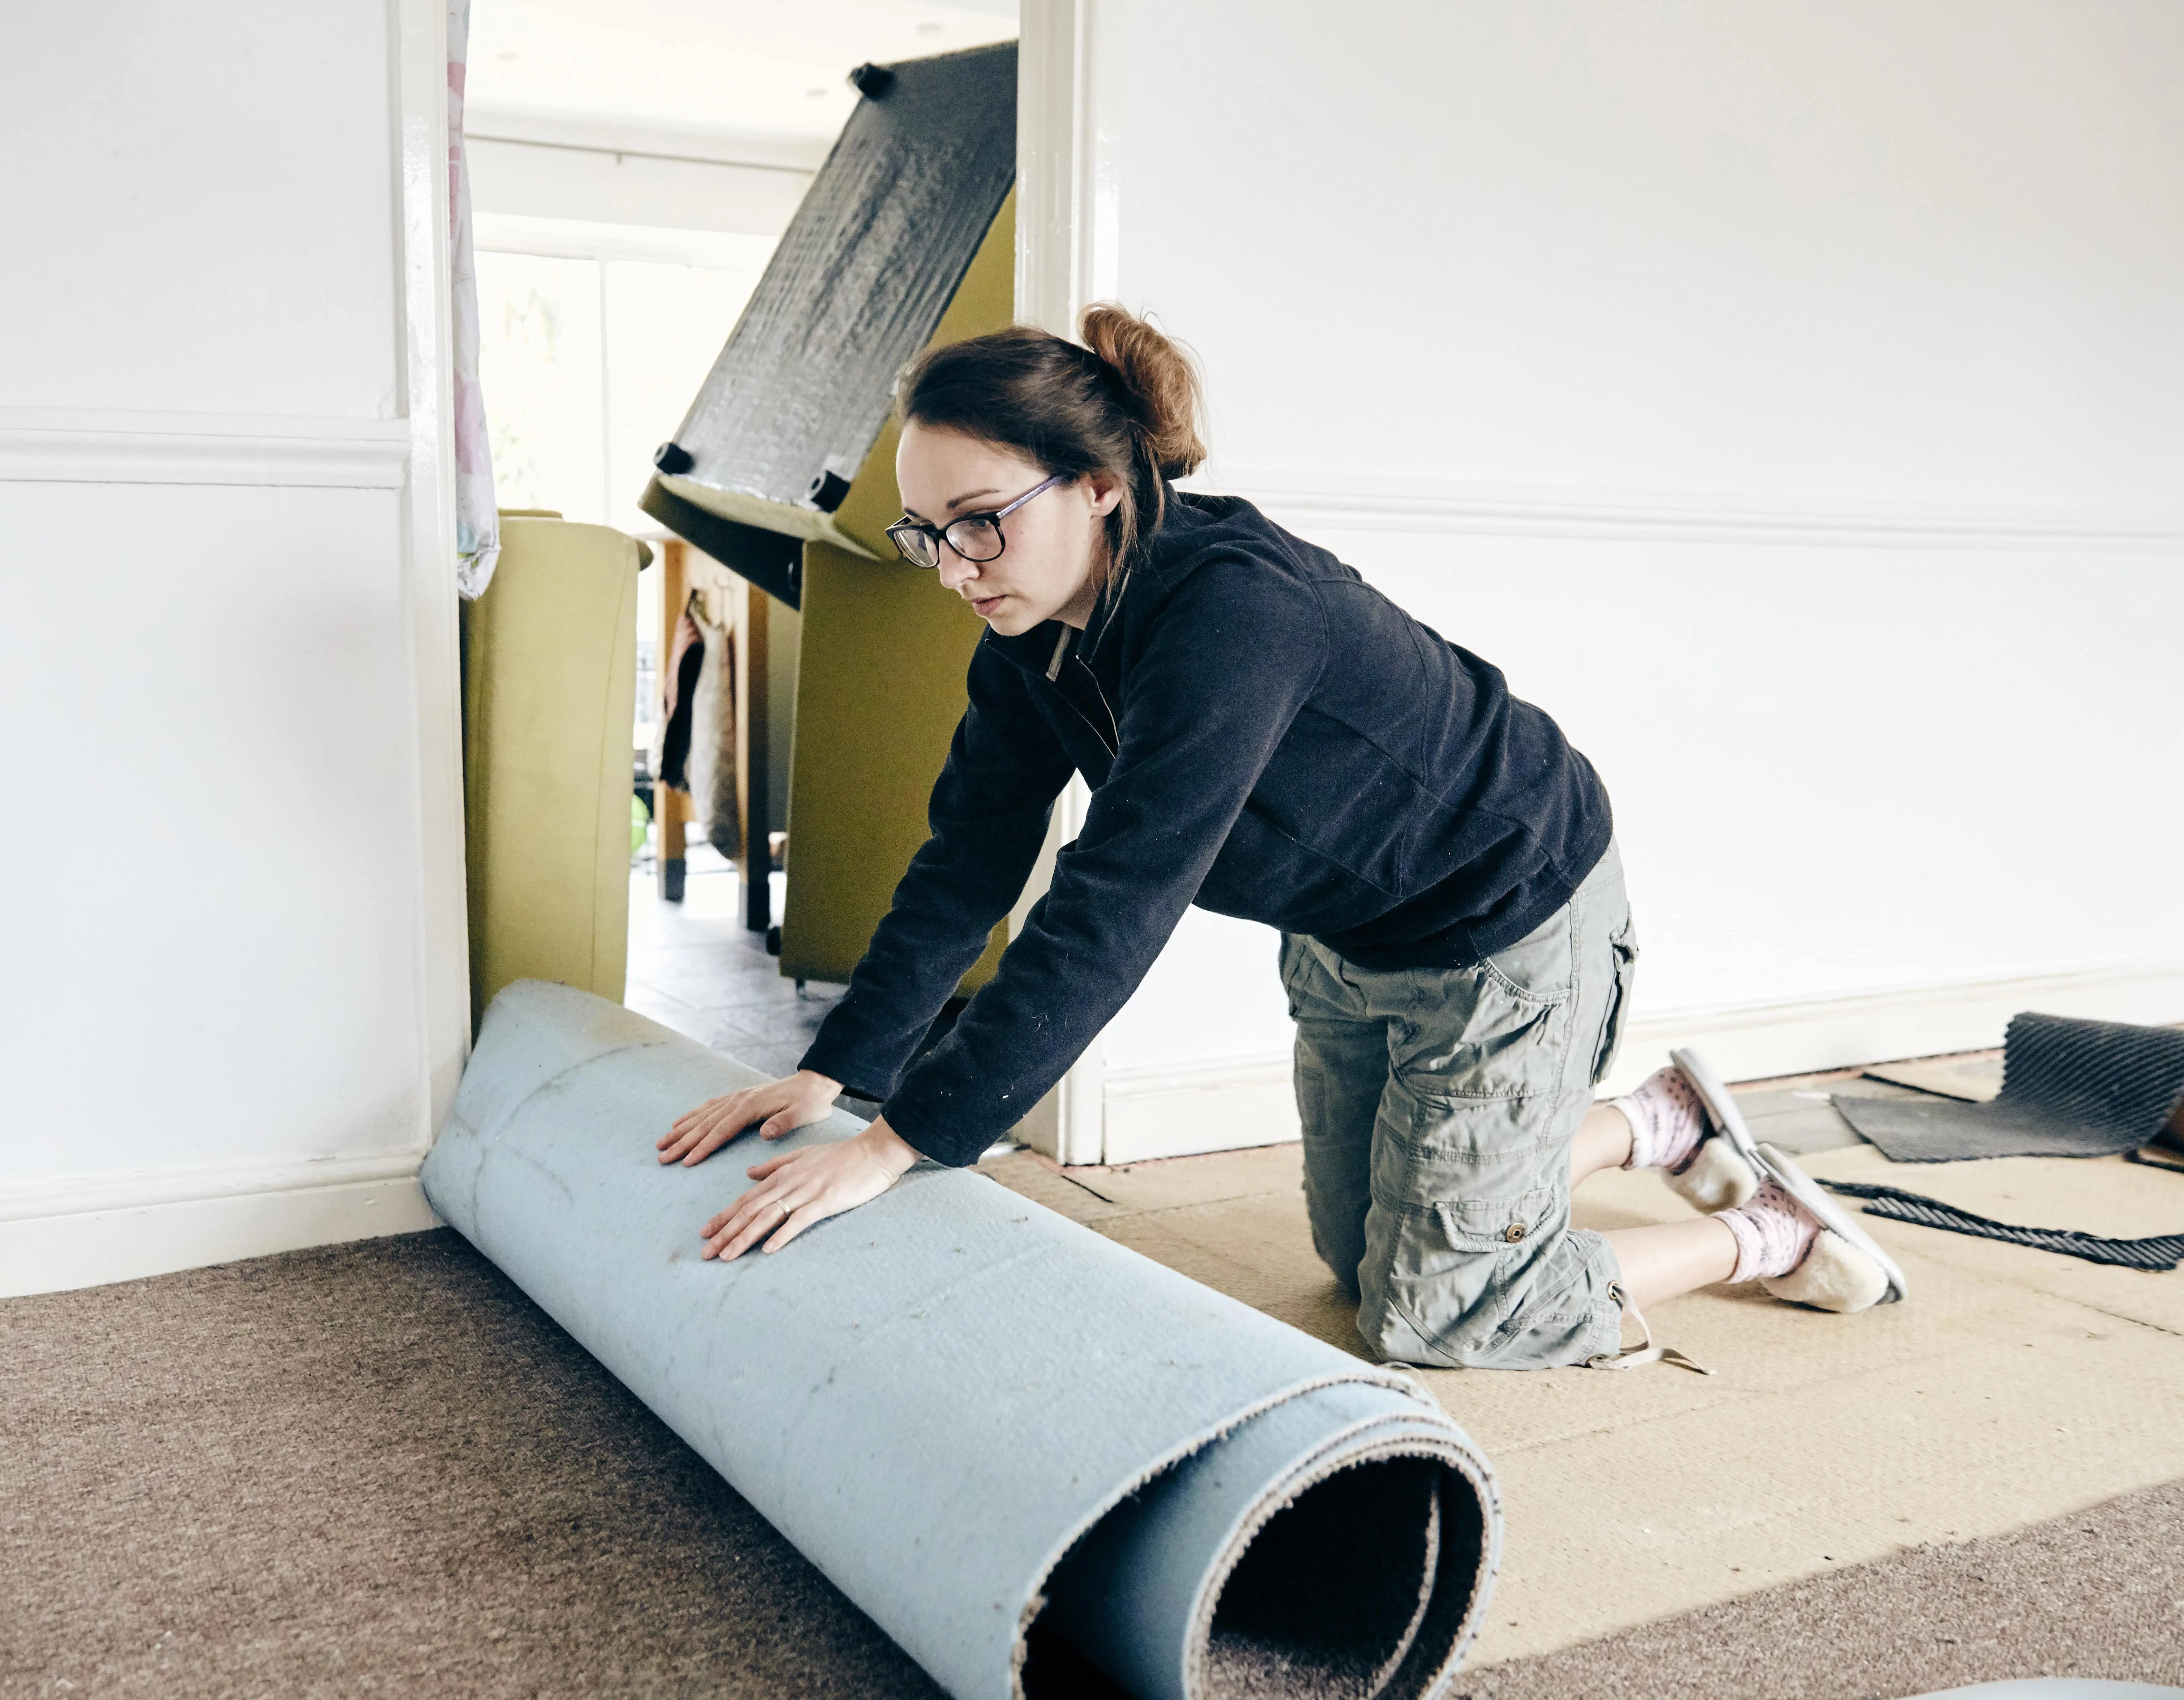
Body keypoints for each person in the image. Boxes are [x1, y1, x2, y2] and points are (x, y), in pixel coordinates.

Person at [653, 307, 1900, 1370]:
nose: (954, 569)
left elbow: (1112, 902)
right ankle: (1658, 1124)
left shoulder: (1233, 611)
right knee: (1355, 1257)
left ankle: (1769, 1232)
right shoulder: (1030, 635)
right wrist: (844, 1071)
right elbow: (970, 856)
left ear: (1099, 485)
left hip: (1505, 919)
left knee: (1441, 1317)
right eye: (929, 531)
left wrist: (900, 1145)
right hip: (1351, 932)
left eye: (980, 520)